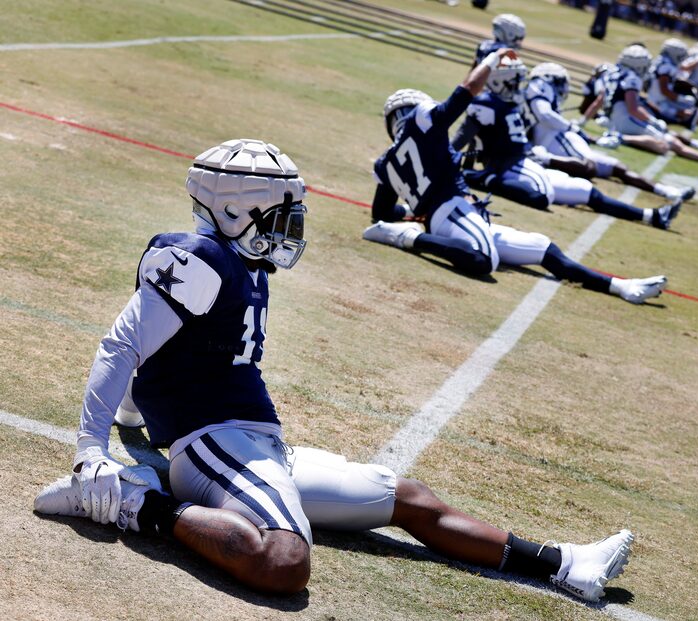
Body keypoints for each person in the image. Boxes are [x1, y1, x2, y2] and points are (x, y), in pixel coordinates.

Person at [34, 137, 635, 602]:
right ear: (237, 208)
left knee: (408, 498)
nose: (291, 226)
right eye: (282, 212)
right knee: (283, 562)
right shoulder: (197, 258)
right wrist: (92, 447)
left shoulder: (243, 266)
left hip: (254, 445)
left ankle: (563, 564)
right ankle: (137, 505)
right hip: (216, 445)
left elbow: (162, 358)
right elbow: (122, 344)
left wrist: (133, 417)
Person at [364, 50, 668, 303]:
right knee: (483, 259)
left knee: (543, 247)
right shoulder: (422, 118)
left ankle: (621, 286)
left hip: (456, 214)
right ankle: (408, 239)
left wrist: (412, 211)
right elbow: (466, 91)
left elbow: (381, 213)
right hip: (452, 212)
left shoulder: (386, 161)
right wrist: (493, 60)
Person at [451, 56, 683, 231]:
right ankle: (485, 179)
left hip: (525, 162)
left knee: (586, 189)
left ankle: (651, 216)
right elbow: (467, 141)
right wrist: (471, 171)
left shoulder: (507, 103)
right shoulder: (483, 104)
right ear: (502, 81)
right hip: (508, 169)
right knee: (541, 197)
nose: (521, 83)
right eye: (516, 79)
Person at [524, 61, 696, 203]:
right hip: (554, 144)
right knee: (589, 168)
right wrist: (572, 127)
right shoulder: (539, 89)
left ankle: (667, 191)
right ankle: (544, 160)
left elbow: (558, 124)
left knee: (618, 167)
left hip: (563, 141)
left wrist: (592, 138)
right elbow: (546, 115)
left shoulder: (543, 99)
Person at [593, 44, 698, 168]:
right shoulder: (632, 78)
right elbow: (633, 108)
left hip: (619, 118)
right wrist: (651, 120)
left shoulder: (615, 73)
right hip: (626, 120)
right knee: (666, 144)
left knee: (669, 137)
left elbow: (603, 99)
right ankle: (619, 137)